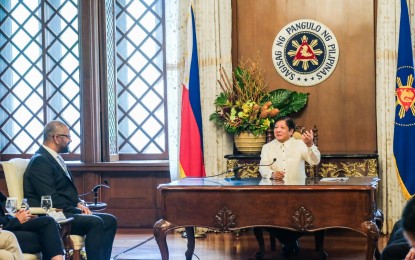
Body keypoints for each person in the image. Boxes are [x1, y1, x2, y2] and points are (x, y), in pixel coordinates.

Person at [23, 120, 117, 260]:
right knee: (95, 222)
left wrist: (79, 203)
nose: (70, 140)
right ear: (56, 138)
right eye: (67, 136)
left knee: (110, 220)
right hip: (53, 215)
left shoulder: (55, 158)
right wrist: (76, 208)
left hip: (67, 211)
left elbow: (65, 191)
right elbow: (50, 198)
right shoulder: (40, 161)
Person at [255, 116, 321, 259]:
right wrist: (272, 174)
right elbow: (262, 168)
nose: (278, 130)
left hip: (298, 194)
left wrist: (310, 145)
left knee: (304, 218)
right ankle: (291, 244)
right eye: (276, 127)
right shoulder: (267, 147)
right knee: (266, 219)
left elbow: (315, 161)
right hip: (274, 195)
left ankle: (288, 244)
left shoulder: (300, 144)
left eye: (282, 127)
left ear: (291, 131)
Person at [0, 191, 63, 259]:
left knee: (48, 221)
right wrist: (16, 220)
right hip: (4, 231)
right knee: (48, 237)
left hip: (7, 224)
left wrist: (15, 217)